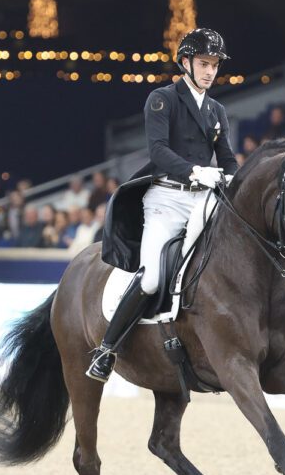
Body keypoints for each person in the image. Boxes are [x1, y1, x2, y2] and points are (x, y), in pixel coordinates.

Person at [87, 28, 237, 382]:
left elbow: (227, 157)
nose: (210, 71)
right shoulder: (162, 99)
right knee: (153, 277)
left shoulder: (216, 110)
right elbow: (157, 151)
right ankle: (106, 349)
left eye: (215, 65)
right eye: (204, 63)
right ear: (185, 62)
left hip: (203, 199)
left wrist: (233, 177)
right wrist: (195, 171)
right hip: (167, 199)